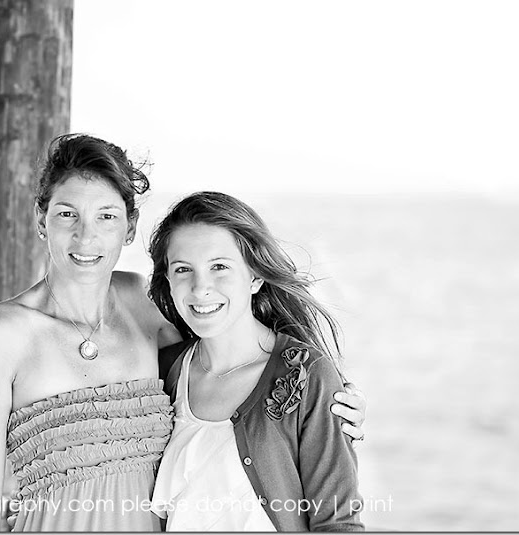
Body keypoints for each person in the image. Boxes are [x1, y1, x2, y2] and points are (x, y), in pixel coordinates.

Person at [0, 134, 366, 532]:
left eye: (106, 216)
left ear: (129, 227)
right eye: (67, 214)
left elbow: (224, 360)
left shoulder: (141, 304)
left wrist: (326, 401)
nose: (86, 235)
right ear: (40, 220)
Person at [147, 191, 364, 531]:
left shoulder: (307, 375)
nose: (200, 288)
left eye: (219, 267)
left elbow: (337, 522)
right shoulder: (163, 372)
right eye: (183, 269)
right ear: (169, 282)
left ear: (255, 277)